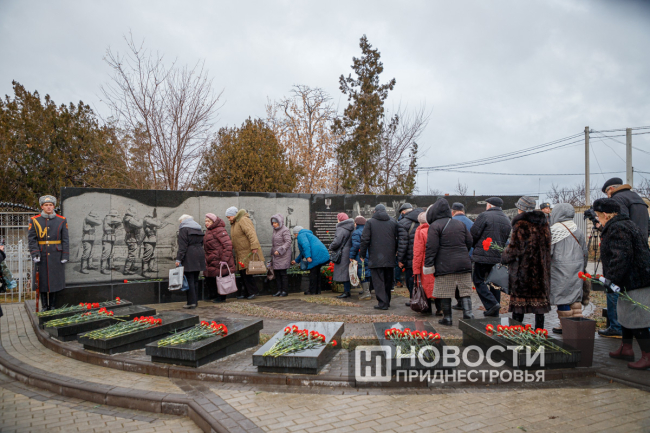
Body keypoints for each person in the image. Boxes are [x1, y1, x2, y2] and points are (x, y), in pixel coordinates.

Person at [594, 198, 650, 369]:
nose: (597, 219)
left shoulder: (618, 228)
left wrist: (610, 279)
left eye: (598, 215)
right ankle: (626, 348)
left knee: (637, 319)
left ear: (605, 214)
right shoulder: (625, 224)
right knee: (625, 315)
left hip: (635, 280)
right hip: (632, 280)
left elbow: (620, 256)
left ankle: (647, 356)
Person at [599, 177, 649, 338]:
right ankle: (633, 335)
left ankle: (616, 326)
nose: (608, 196)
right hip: (640, 249)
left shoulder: (618, 199)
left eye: (607, 193)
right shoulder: (638, 198)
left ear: (611, 189)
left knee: (616, 286)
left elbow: (619, 224)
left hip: (624, 249)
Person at [500, 196, 551, 331]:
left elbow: (515, 248)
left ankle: (516, 332)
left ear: (521, 209)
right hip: (540, 271)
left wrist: (504, 256)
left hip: (523, 271)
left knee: (519, 305)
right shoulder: (544, 224)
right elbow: (547, 248)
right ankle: (540, 332)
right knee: (539, 306)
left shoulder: (520, 225)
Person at [423, 199, 474, 325]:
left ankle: (447, 318)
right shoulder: (460, 224)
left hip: (444, 264)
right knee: (465, 290)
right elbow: (469, 242)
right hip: (463, 263)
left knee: (444, 291)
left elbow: (431, 247)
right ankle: (468, 314)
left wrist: (428, 264)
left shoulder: (435, 226)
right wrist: (462, 253)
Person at [549, 203, 588, 334]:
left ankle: (565, 326)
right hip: (577, 269)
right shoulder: (577, 230)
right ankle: (577, 325)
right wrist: (583, 267)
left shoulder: (554, 231)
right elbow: (585, 252)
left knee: (562, 297)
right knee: (575, 297)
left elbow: (548, 252)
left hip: (559, 269)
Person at [470, 197, 512, 317]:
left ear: (489, 205)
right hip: (497, 255)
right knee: (495, 283)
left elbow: (473, 234)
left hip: (483, 254)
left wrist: (475, 247)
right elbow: (505, 239)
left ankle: (492, 304)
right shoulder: (506, 219)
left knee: (478, 280)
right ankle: (494, 310)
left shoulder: (484, 215)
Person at [360, 204, 406, 310]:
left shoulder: (370, 222)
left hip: (375, 257)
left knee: (378, 281)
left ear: (375, 211)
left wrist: (362, 254)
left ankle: (382, 303)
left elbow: (365, 239)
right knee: (388, 280)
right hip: (390, 256)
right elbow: (398, 238)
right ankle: (387, 301)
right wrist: (395, 251)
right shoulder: (393, 222)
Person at [27, 195, 69, 311]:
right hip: (41, 255)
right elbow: (32, 239)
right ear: (42, 207)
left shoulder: (61, 220)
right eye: (46, 205)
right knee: (42, 281)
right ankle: (45, 306)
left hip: (56, 255)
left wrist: (65, 254)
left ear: (54, 206)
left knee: (55, 281)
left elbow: (65, 239)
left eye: (50, 205)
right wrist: (35, 253)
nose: (49, 207)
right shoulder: (35, 220)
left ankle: (53, 306)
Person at [226, 207, 264, 300]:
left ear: (234, 215)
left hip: (247, 251)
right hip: (241, 252)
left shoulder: (243, 220)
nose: (228, 219)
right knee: (243, 273)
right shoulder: (235, 223)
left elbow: (251, 233)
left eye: (229, 217)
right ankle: (246, 292)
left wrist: (254, 246)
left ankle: (252, 292)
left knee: (247, 273)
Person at [175, 214, 205, 309]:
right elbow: (202, 242)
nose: (180, 224)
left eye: (181, 222)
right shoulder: (198, 228)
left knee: (189, 279)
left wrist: (179, 259)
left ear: (183, 221)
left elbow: (182, 246)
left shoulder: (184, 229)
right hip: (199, 254)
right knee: (195, 279)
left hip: (189, 255)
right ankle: (195, 302)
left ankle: (191, 302)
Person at [203, 213, 234, 303]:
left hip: (220, 259)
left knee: (221, 277)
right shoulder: (209, 230)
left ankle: (222, 297)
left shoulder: (220, 230)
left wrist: (224, 259)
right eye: (205, 221)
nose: (206, 223)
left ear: (213, 221)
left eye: (208, 221)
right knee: (210, 277)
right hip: (211, 259)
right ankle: (213, 294)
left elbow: (228, 245)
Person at [412, 209, 439, 315]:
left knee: (425, 286)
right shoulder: (436, 229)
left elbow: (418, 252)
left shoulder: (420, 231)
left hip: (424, 263)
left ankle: (426, 308)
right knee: (436, 285)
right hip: (436, 262)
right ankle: (440, 308)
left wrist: (416, 269)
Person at [397, 205, 424, 306]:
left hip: (411, 257)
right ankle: (424, 299)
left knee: (410, 279)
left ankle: (414, 299)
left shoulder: (403, 223)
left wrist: (400, 259)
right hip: (425, 256)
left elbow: (403, 243)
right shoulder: (425, 219)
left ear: (403, 212)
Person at [291, 226, 330, 295]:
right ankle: (317, 290)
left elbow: (305, 245)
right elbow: (303, 251)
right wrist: (296, 260)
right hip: (322, 254)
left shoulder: (301, 235)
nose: (295, 236)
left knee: (313, 273)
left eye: (294, 234)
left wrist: (308, 256)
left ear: (296, 233)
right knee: (317, 272)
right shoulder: (308, 234)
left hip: (315, 255)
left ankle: (312, 291)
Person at [451, 202, 473, 310]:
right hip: (469, 256)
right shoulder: (471, 223)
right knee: (465, 281)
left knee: (454, 280)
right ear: (463, 211)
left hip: (453, 256)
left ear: (452, 212)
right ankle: (466, 306)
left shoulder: (450, 222)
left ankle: (459, 301)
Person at [330, 213, 354, 299]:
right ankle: (347, 290)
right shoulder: (351, 227)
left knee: (343, 272)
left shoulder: (341, 228)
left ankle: (346, 292)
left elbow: (337, 242)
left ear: (340, 219)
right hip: (349, 251)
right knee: (347, 271)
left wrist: (331, 246)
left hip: (342, 253)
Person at [350, 216, 372, 300]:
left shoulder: (356, 232)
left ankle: (366, 293)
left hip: (361, 255)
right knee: (367, 273)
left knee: (362, 273)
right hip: (370, 255)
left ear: (356, 224)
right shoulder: (369, 231)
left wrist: (351, 256)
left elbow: (355, 246)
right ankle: (367, 291)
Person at [270, 213, 292, 297]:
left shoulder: (285, 230)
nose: (274, 224)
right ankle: (279, 290)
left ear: (280, 222)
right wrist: (272, 252)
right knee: (277, 273)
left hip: (283, 255)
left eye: (275, 223)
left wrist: (280, 250)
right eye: (273, 223)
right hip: (276, 255)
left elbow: (288, 242)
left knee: (283, 273)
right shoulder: (275, 230)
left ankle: (284, 291)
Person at [142, 211, 166, 277]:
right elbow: (157, 224)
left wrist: (163, 223)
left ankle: (151, 268)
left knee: (152, 256)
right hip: (148, 240)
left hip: (152, 240)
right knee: (146, 257)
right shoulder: (147, 219)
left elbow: (159, 226)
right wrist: (159, 221)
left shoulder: (150, 221)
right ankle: (144, 271)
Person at [122, 207, 143, 275]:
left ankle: (131, 267)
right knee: (132, 254)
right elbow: (139, 225)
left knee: (133, 253)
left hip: (131, 238)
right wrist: (141, 220)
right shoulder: (130, 219)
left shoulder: (126, 218)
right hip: (132, 238)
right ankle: (127, 270)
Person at [100, 210, 122, 274]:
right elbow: (119, 221)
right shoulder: (108, 218)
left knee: (111, 253)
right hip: (107, 238)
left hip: (111, 238)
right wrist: (118, 217)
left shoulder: (112, 219)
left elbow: (119, 225)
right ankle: (103, 269)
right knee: (106, 254)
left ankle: (110, 266)